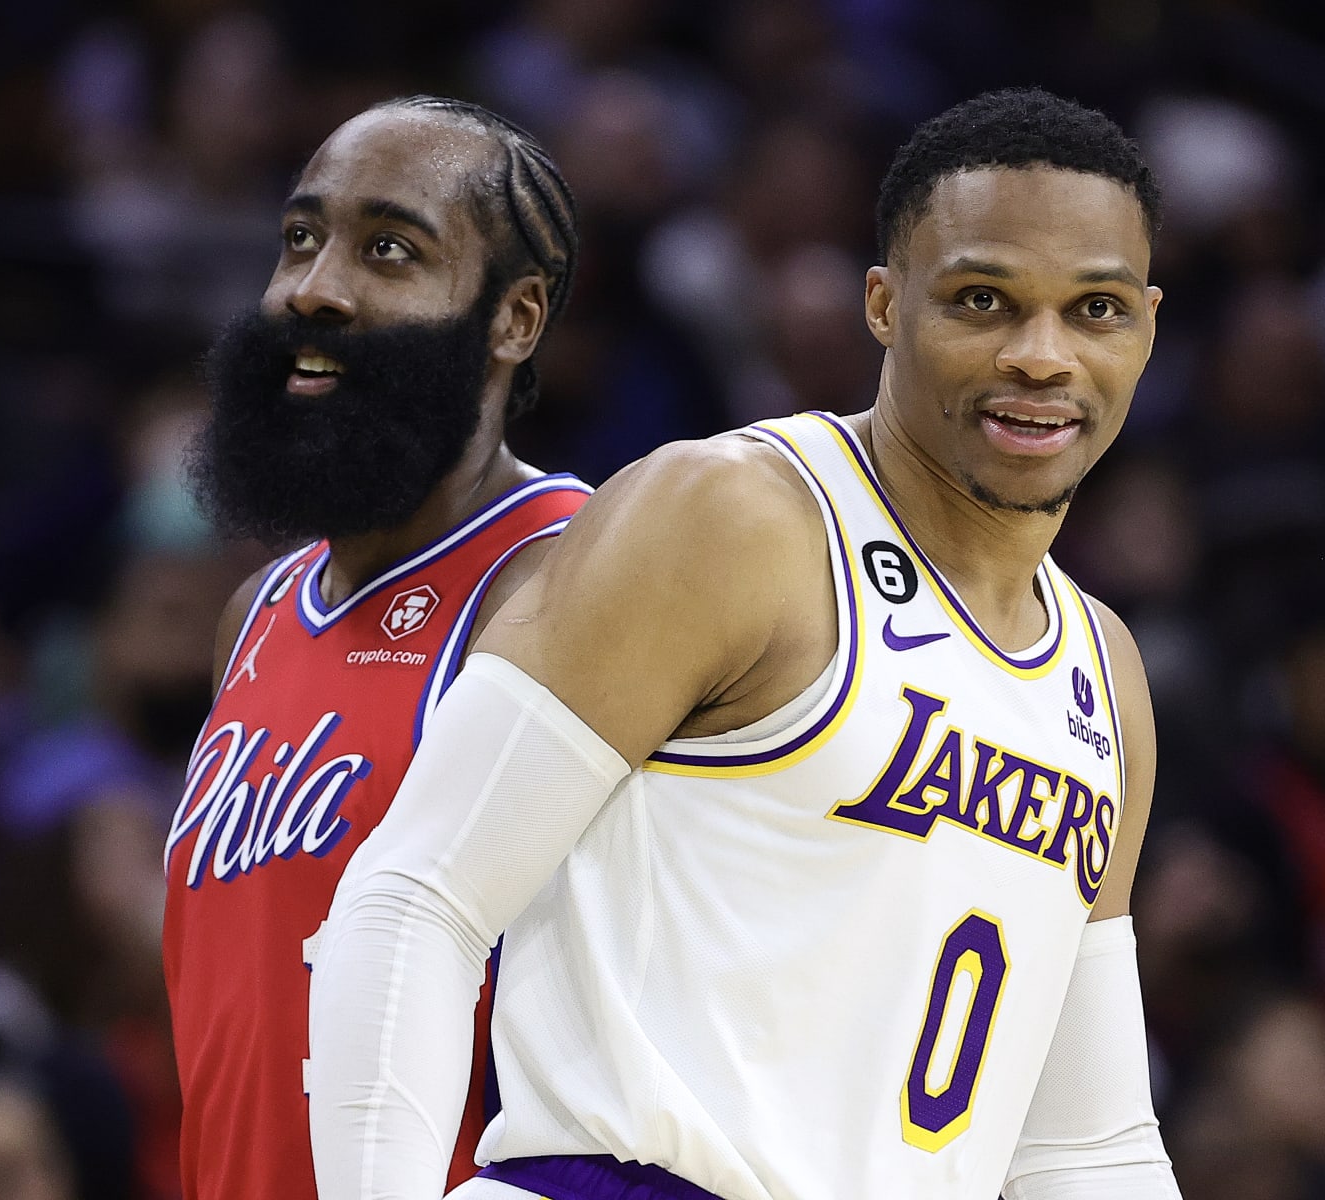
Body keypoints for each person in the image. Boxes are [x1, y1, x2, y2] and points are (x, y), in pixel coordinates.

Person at [308, 86, 1181, 1199]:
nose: (1042, 356)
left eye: (1095, 310)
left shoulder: (1104, 675)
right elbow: (414, 894)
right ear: (883, 304)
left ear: (1148, 324)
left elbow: (1085, 1145)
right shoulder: (734, 516)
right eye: (982, 300)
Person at [160, 96, 587, 1200]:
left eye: (389, 250)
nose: (315, 287)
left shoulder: (576, 579)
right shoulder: (255, 611)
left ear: (515, 318)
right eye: (301, 238)